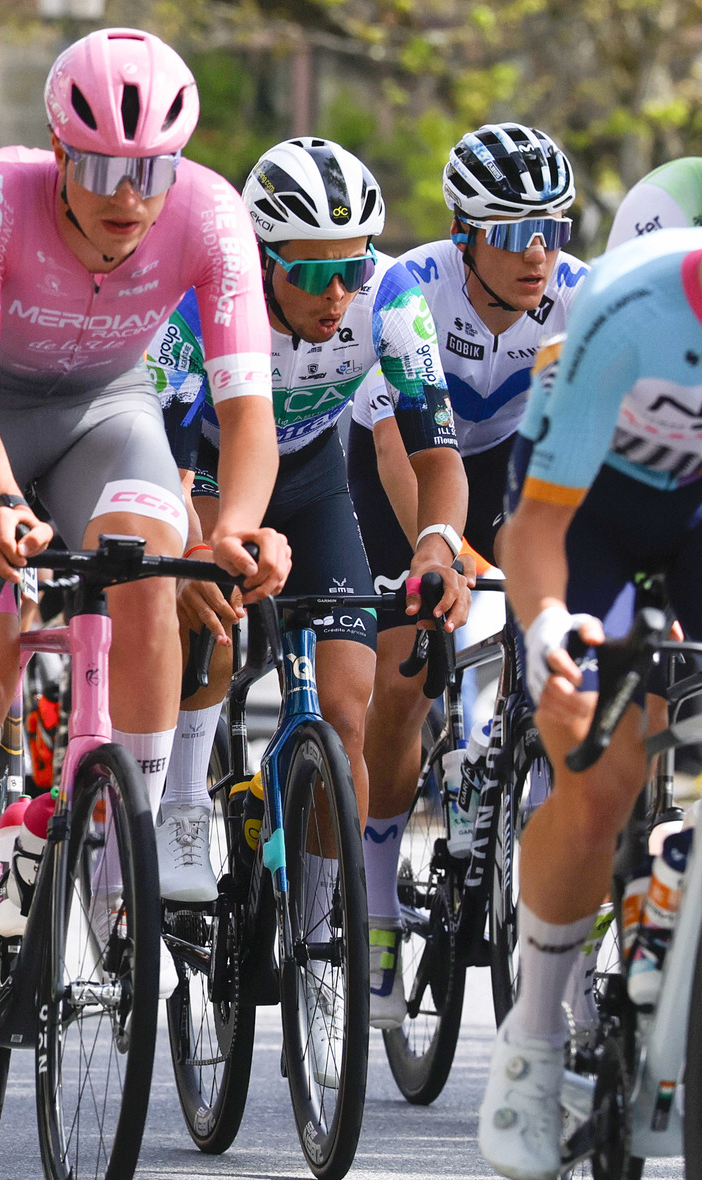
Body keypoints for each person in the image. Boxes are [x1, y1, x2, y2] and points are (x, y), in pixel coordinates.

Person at [0, 28, 287, 1085]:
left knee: (149, 576)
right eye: (99, 169)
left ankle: (120, 879)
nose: (126, 196)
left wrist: (236, 526)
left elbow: (249, 416)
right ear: (58, 154)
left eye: (149, 170)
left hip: (108, 411)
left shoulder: (210, 214)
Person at [152, 138, 463, 1033]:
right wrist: (197, 545)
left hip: (314, 476)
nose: (338, 295)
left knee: (347, 711)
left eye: (351, 269)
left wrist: (438, 545)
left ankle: (324, 926)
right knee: (208, 625)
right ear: (263, 259)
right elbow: (167, 451)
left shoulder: (390, 298)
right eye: (315, 274)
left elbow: (436, 453)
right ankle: (183, 803)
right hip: (206, 467)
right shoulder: (209, 297)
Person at [346, 124, 585, 1022]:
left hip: (512, 466)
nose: (536, 253)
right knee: (405, 675)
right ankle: (375, 900)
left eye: (551, 230)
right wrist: (441, 556)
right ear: (462, 233)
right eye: (513, 232)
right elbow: (397, 450)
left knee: (560, 645)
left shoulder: (579, 297)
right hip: (402, 463)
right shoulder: (408, 290)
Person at [482, 226, 702, 1180]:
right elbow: (535, 526)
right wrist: (542, 627)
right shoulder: (633, 312)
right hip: (586, 515)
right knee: (598, 776)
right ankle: (532, 1043)